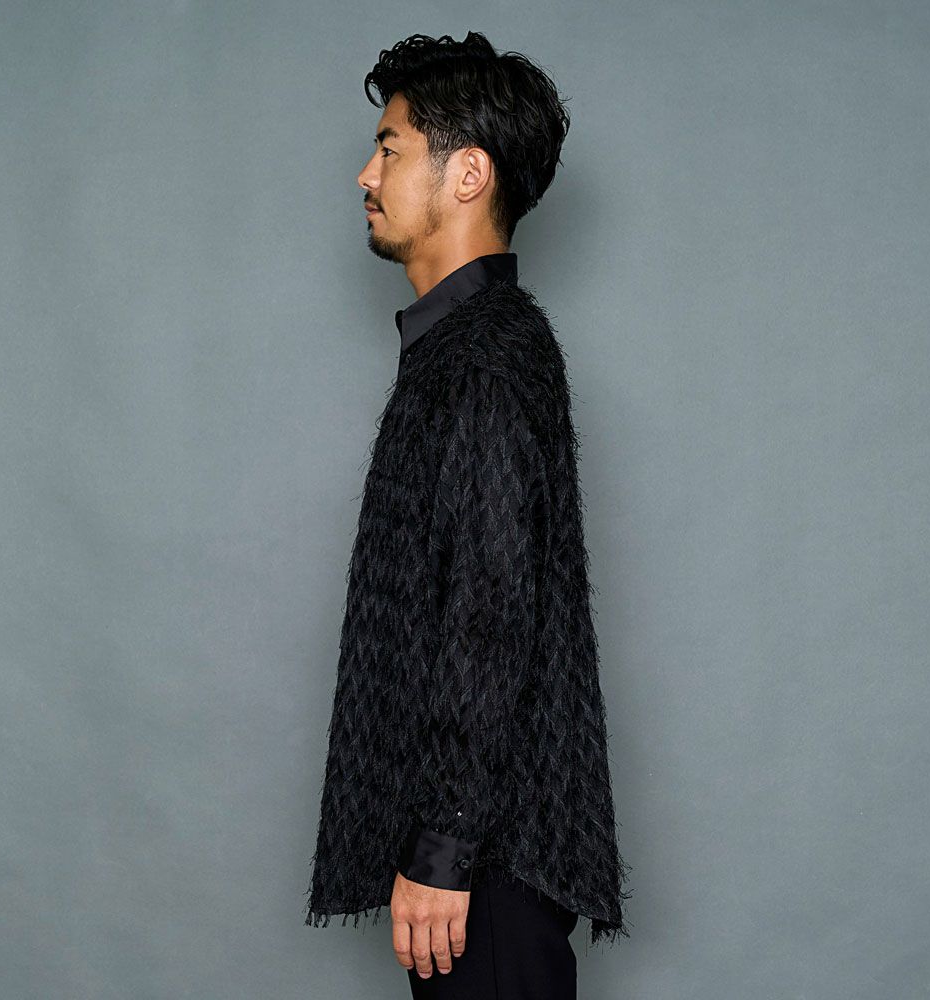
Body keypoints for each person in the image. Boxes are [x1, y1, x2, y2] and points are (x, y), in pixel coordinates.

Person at [304, 31, 632, 999]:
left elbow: (489, 612)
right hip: (487, 858)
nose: (365, 175)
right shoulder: (469, 348)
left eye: (390, 148)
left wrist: (444, 847)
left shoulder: (486, 356)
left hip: (489, 864)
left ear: (467, 173)